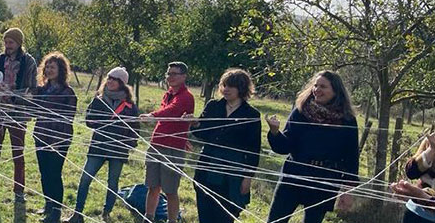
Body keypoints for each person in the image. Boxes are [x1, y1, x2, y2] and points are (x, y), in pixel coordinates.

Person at [265, 70, 359, 223]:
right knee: (275, 221)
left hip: (324, 181)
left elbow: (351, 157)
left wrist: (348, 190)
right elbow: (284, 147)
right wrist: (275, 132)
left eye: (323, 86)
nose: (317, 89)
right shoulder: (301, 112)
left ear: (336, 91)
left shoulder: (347, 120)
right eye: (315, 85)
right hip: (294, 176)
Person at [63, 67, 140, 223]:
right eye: (109, 78)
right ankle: (77, 213)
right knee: (85, 178)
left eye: (114, 79)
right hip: (98, 147)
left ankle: (106, 213)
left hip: (118, 150)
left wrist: (128, 144)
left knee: (112, 182)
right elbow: (89, 120)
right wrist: (98, 121)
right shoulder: (98, 100)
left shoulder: (130, 106)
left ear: (122, 83)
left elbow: (135, 129)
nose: (109, 81)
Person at [188, 69, 261, 223]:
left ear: (241, 88)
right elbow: (203, 133)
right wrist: (195, 124)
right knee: (205, 211)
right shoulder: (213, 106)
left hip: (232, 172)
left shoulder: (251, 114)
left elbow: (253, 149)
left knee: (225, 214)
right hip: (207, 165)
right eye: (224, 85)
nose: (226, 89)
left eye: (231, 86)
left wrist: (247, 177)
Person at [0, 27, 38, 201]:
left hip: (18, 114)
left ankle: (19, 192)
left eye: (11, 42)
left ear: (19, 43)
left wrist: (14, 94)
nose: (7, 45)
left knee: (18, 154)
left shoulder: (29, 62)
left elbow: (32, 89)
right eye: (6, 42)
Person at [139, 62, 195, 223]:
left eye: (174, 74)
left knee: (170, 190)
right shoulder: (167, 94)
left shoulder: (186, 97)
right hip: (156, 144)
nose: (170, 77)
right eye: (168, 74)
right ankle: (148, 217)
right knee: (152, 186)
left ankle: (172, 220)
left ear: (184, 76)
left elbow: (172, 111)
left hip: (172, 148)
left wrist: (152, 116)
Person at [27, 52, 77, 223]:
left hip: (59, 140)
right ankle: (48, 204)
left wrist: (57, 141)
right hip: (41, 136)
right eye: (47, 67)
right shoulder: (41, 90)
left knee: (54, 174)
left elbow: (68, 119)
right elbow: (33, 110)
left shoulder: (68, 92)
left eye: (52, 67)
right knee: (44, 173)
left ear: (61, 70)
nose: (49, 70)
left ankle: (56, 211)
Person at [394, 132, 435, 223]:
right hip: (415, 212)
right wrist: (431, 150)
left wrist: (424, 198)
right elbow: (411, 172)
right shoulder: (431, 139)